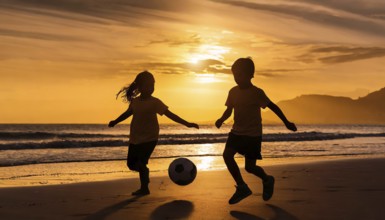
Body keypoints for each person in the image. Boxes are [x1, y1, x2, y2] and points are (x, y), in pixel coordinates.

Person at [215, 58, 297, 204]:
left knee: (250, 167)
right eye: (234, 75)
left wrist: (286, 122)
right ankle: (242, 187)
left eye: (240, 75)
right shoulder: (233, 92)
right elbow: (229, 110)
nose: (236, 78)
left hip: (253, 135)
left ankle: (267, 179)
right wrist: (221, 119)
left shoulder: (257, 93)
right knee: (227, 155)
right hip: (236, 132)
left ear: (250, 75)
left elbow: (273, 107)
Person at [109, 71, 199, 196]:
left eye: (153, 85)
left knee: (141, 162)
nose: (151, 88)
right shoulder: (135, 102)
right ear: (139, 87)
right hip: (135, 138)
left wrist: (187, 123)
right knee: (131, 164)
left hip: (150, 138)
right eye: (148, 85)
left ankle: (144, 188)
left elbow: (170, 115)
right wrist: (115, 121)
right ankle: (144, 174)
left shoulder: (155, 102)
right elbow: (127, 113)